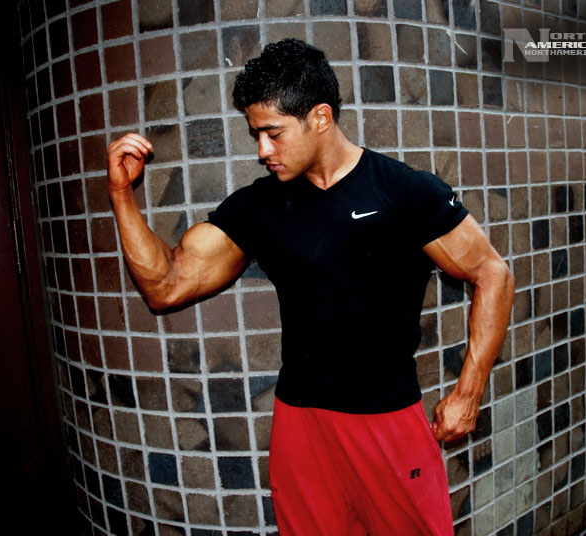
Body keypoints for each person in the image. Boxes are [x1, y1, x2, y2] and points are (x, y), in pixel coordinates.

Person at [107, 39, 514, 536]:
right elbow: (166, 286)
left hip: (387, 419)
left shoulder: (403, 192)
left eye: (273, 133)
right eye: (256, 134)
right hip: (301, 421)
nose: (263, 150)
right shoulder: (262, 207)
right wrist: (122, 195)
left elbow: (493, 273)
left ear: (320, 117)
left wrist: (468, 393)